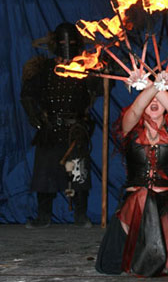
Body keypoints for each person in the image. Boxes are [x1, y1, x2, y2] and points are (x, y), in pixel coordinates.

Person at [95, 71, 168, 277]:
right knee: (143, 196)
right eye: (150, 99)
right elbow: (137, 107)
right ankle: (141, 253)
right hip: (136, 203)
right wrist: (153, 86)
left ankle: (153, 256)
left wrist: (155, 84)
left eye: (159, 98)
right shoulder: (130, 129)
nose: (154, 102)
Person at [21, 22, 101, 228]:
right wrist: (34, 116)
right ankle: (43, 216)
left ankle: (81, 215)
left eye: (71, 42)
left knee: (78, 173)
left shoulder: (85, 68)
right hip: (49, 128)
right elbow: (28, 94)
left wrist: (99, 74)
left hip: (76, 129)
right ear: (55, 44)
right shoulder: (44, 69)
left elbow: (98, 89)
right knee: (44, 173)